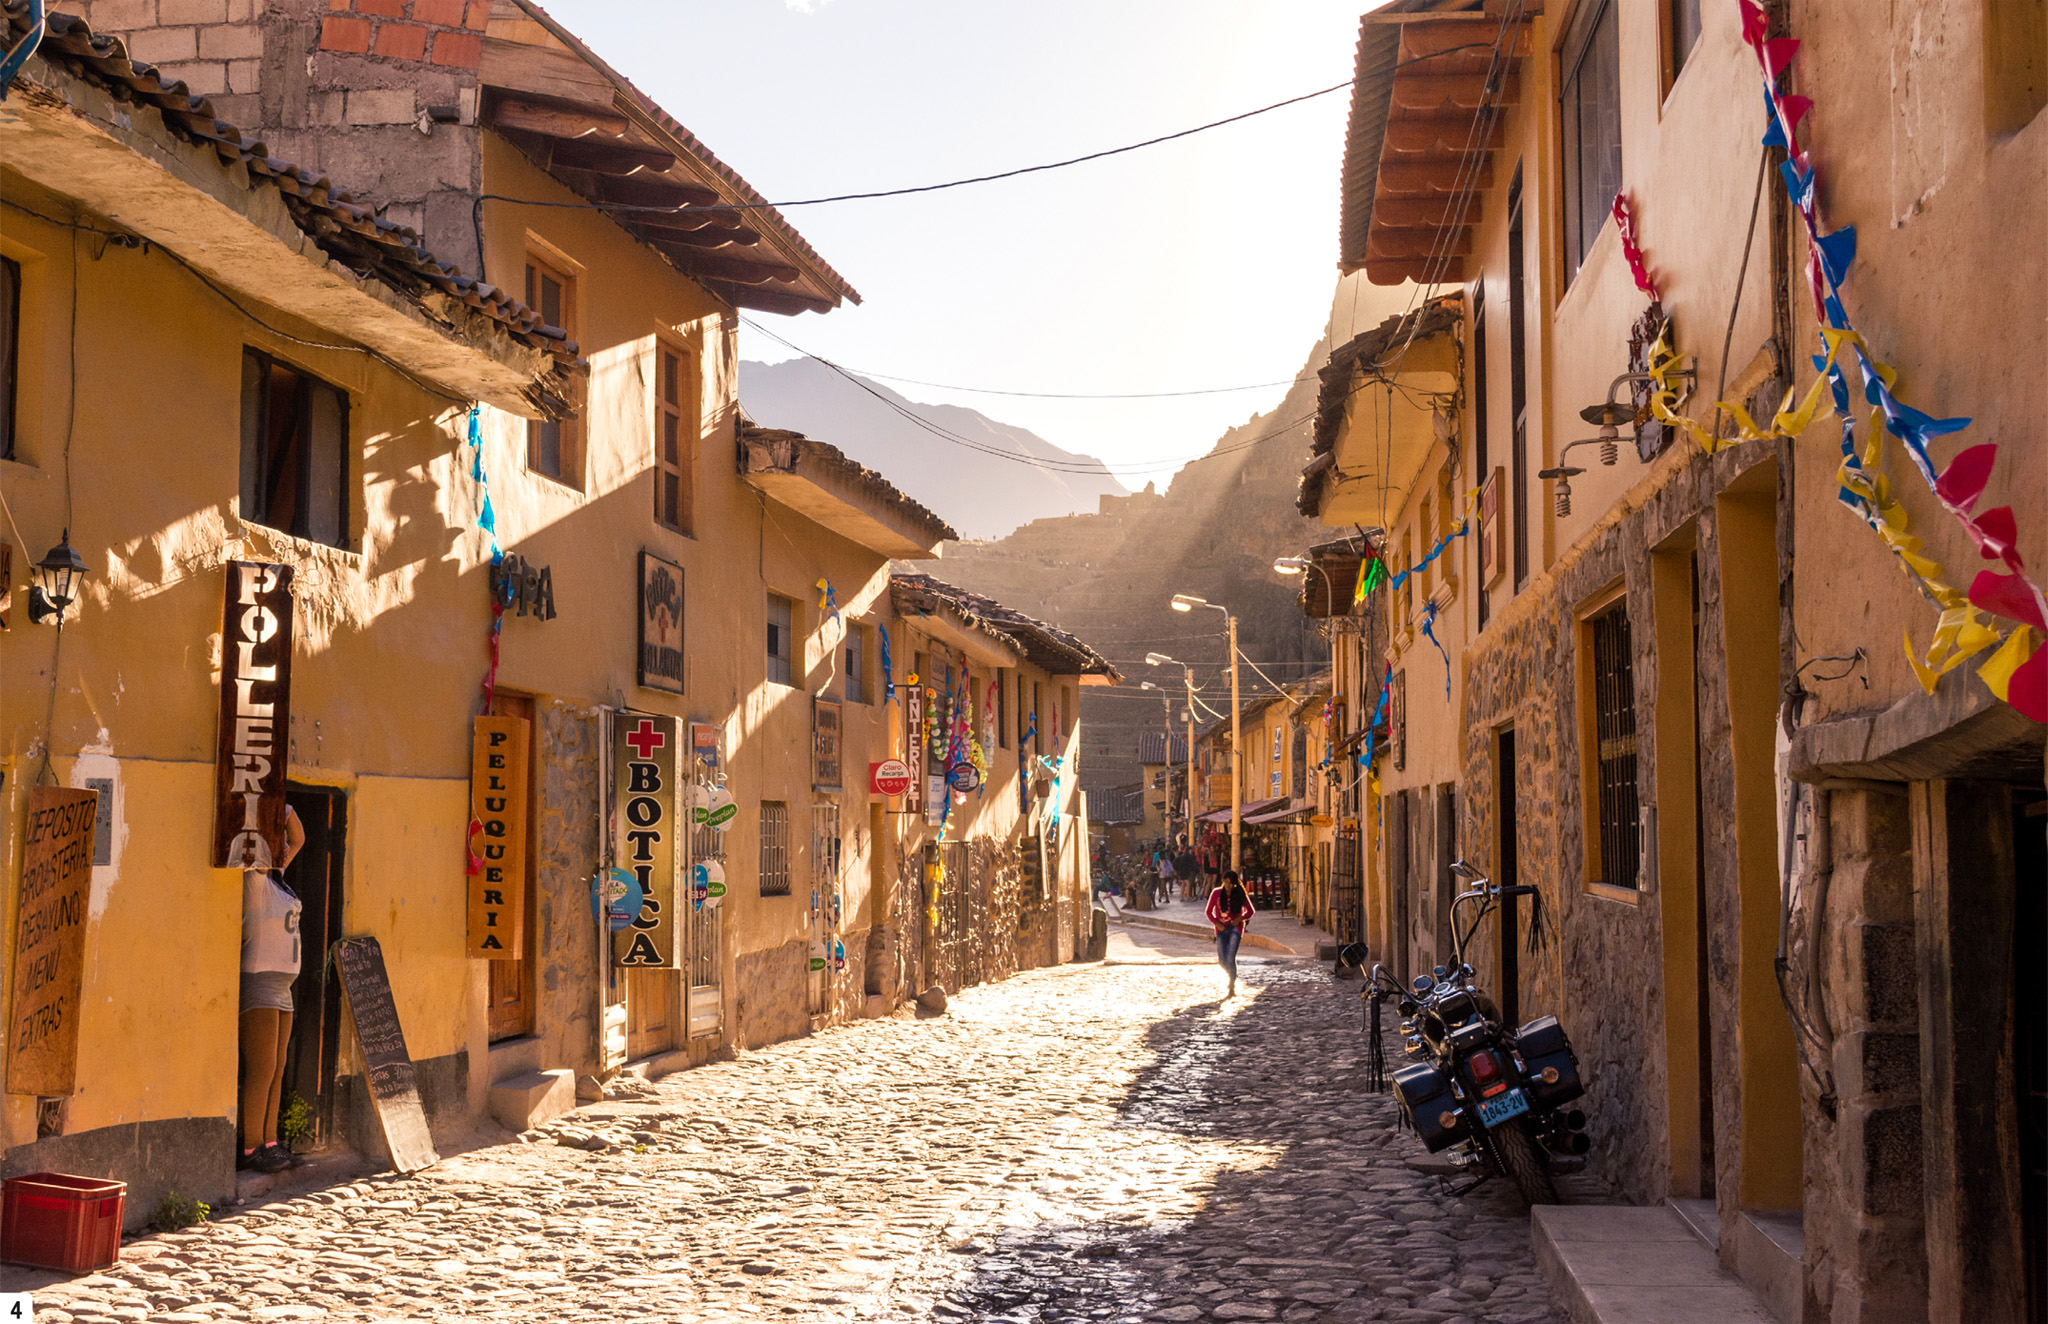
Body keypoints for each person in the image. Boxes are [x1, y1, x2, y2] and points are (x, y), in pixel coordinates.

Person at [240, 805, 306, 1174]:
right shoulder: (256, 881)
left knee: (278, 1067)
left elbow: (299, 838)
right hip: (260, 978)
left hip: (284, 985)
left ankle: (271, 1142)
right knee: (262, 1068)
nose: (280, 845)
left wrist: (284, 808)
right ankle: (251, 1148)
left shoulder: (278, 880)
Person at [1206, 869, 1255, 998]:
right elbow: (1208, 912)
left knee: (1230, 957)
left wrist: (1240, 918)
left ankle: (1231, 985)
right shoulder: (1216, 893)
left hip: (1235, 929)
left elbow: (1250, 911)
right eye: (1225, 882)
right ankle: (1231, 976)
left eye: (1230, 882)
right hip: (1221, 929)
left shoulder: (1239, 894)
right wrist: (1217, 923)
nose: (1227, 885)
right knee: (1222, 960)